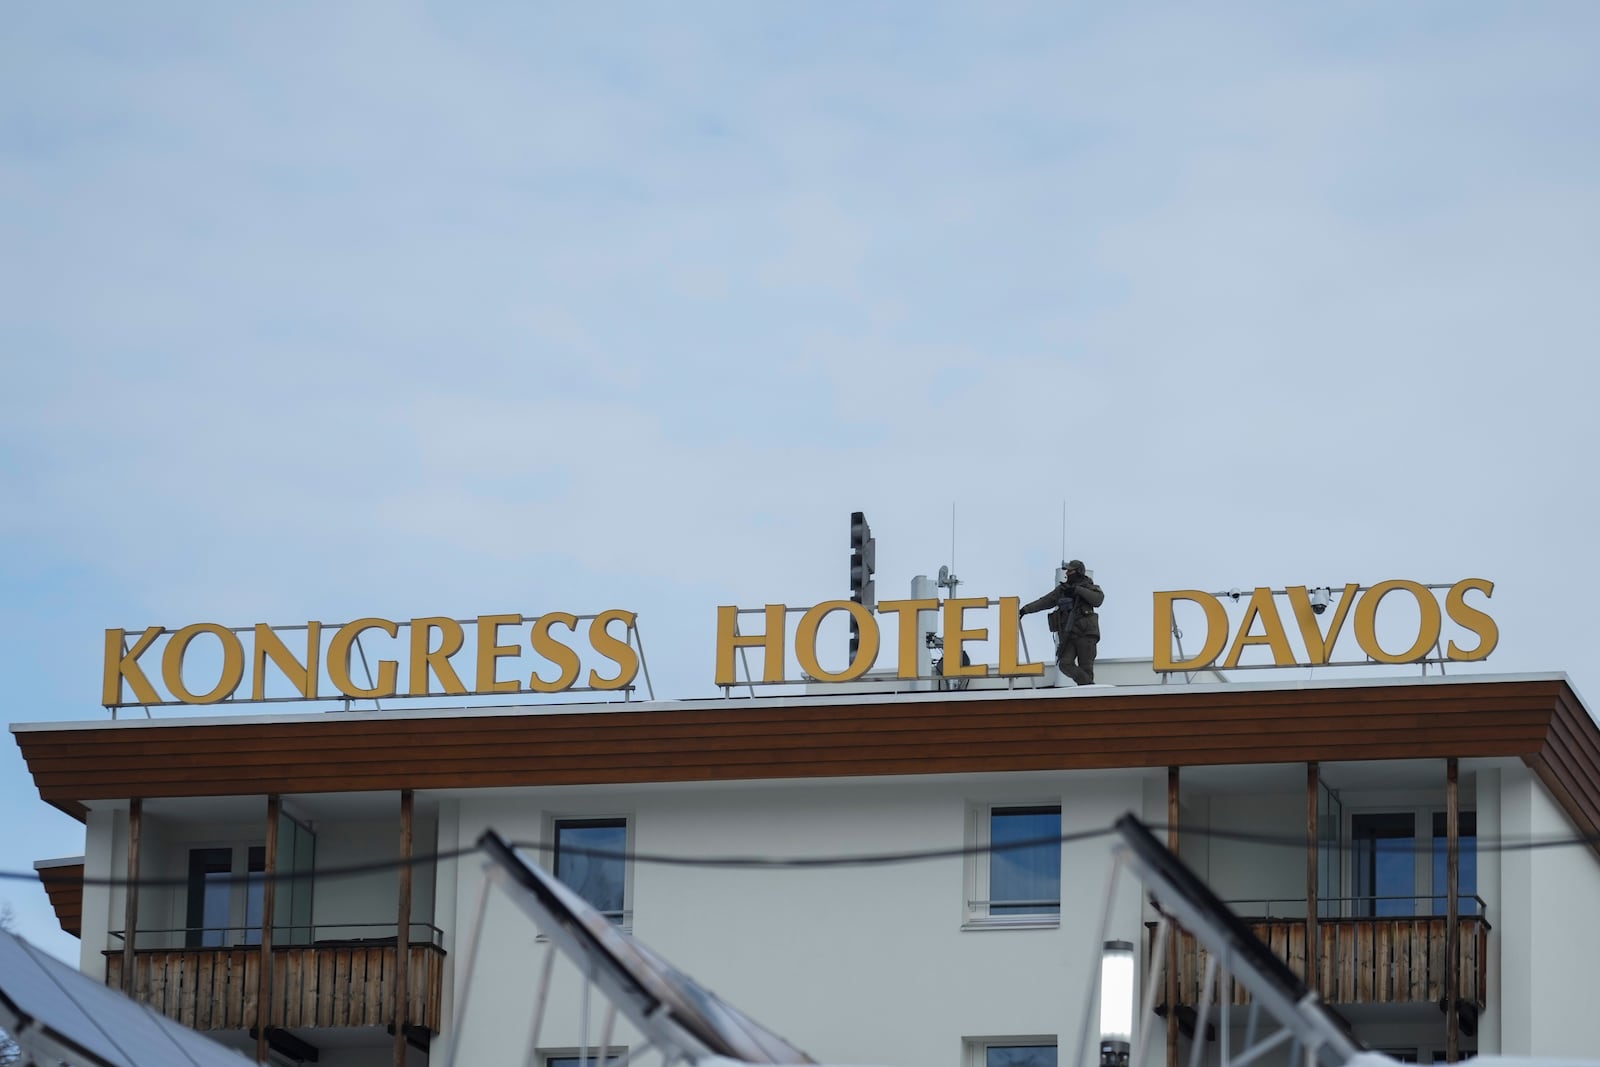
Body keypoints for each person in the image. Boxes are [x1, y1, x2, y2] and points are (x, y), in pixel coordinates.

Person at [1019, 559, 1104, 684]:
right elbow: (1044, 601)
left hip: (1086, 634)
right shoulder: (1063, 590)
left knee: (1086, 667)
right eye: (1067, 571)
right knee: (1064, 664)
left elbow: (1098, 600)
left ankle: (1088, 691)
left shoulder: (1090, 587)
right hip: (1068, 635)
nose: (1068, 573)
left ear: (1078, 572)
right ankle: (1088, 685)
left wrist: (1078, 590)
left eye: (1071, 570)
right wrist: (1025, 610)